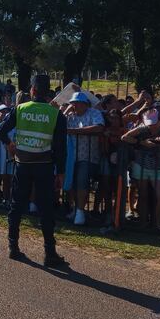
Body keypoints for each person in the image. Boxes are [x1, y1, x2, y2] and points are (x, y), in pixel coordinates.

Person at [0, 74, 67, 267]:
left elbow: (0, 131)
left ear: (32, 91)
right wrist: (61, 172)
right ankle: (49, 253)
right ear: (48, 92)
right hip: (44, 166)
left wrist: (10, 144)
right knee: (46, 209)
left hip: (23, 165)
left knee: (16, 206)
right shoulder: (56, 115)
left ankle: (13, 247)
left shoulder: (20, 109)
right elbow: (61, 147)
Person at [65, 92, 105, 226]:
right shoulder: (70, 116)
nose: (74, 106)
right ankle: (76, 209)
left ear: (84, 104)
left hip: (88, 156)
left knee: (82, 181)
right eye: (73, 103)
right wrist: (65, 111)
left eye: (76, 103)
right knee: (72, 182)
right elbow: (60, 126)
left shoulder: (93, 113)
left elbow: (99, 127)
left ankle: (81, 212)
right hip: (71, 157)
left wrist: (76, 131)